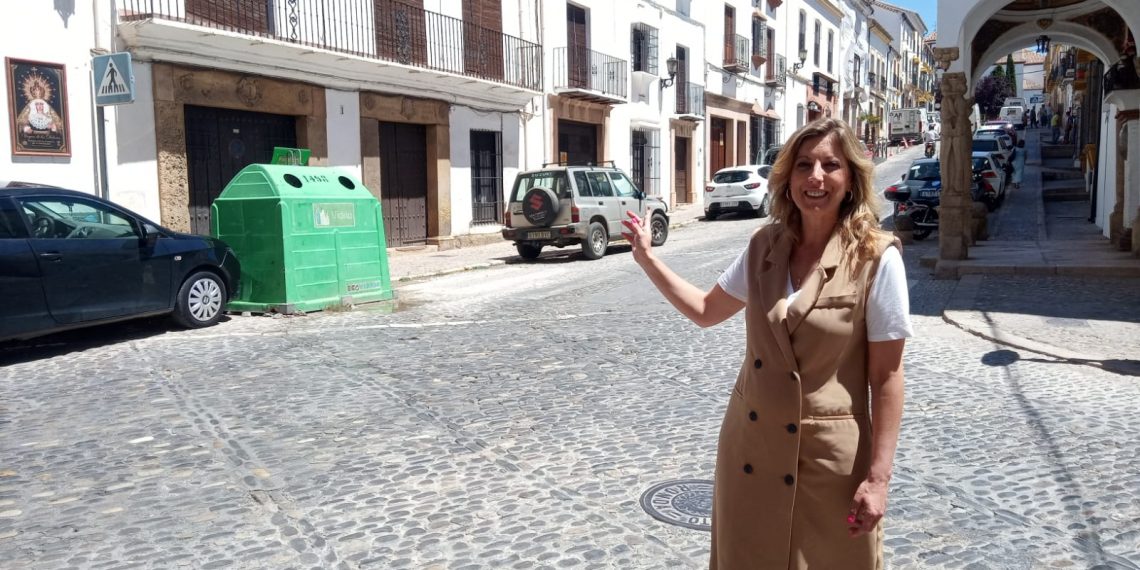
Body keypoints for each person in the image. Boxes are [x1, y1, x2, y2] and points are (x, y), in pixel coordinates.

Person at [622, 118, 911, 569]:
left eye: (830, 165)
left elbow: (887, 376)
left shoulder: (876, 258)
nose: (816, 177)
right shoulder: (764, 246)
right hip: (750, 452)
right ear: (787, 178)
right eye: (803, 165)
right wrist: (647, 258)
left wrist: (879, 478)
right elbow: (704, 310)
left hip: (830, 462)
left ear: (850, 178)